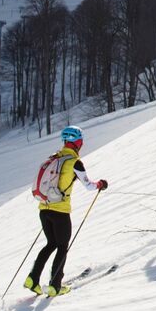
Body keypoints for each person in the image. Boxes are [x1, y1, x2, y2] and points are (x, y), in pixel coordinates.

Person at [24, 125, 107, 297]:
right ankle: (55, 285)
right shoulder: (74, 162)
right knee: (62, 246)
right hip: (60, 212)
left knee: (50, 244)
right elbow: (89, 186)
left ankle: (32, 279)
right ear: (78, 142)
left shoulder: (54, 158)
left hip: (44, 210)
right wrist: (100, 184)